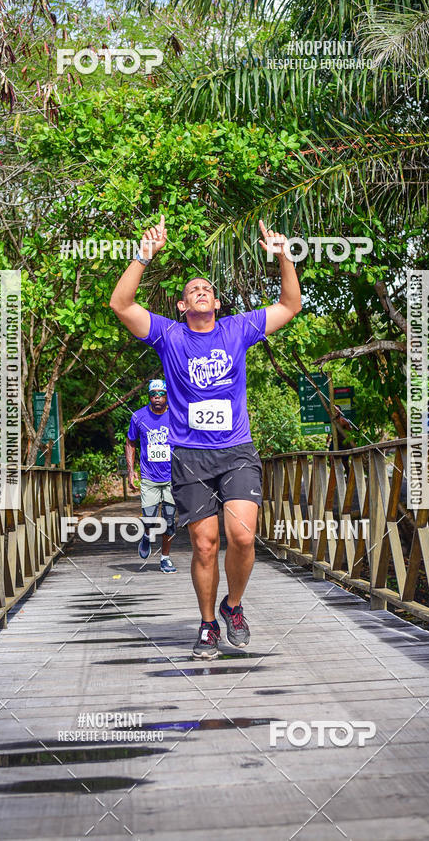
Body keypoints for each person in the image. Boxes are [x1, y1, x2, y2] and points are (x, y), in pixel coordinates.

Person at [110, 215, 301, 659]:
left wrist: (284, 255)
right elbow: (122, 305)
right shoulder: (169, 336)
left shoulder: (237, 329)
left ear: (216, 303)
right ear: (181, 305)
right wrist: (143, 255)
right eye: (193, 289)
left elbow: (289, 306)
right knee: (204, 543)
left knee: (242, 538)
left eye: (208, 289)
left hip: (235, 451)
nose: (202, 290)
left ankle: (233, 606)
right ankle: (207, 625)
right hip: (190, 457)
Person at [125, 379, 177, 573]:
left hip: (172, 477)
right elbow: (130, 442)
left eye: (161, 394)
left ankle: (165, 558)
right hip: (149, 476)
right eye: (154, 394)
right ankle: (147, 536)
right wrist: (131, 472)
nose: (157, 397)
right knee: (149, 519)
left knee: (169, 521)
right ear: (149, 396)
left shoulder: (175, 416)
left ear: (166, 396)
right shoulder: (139, 417)